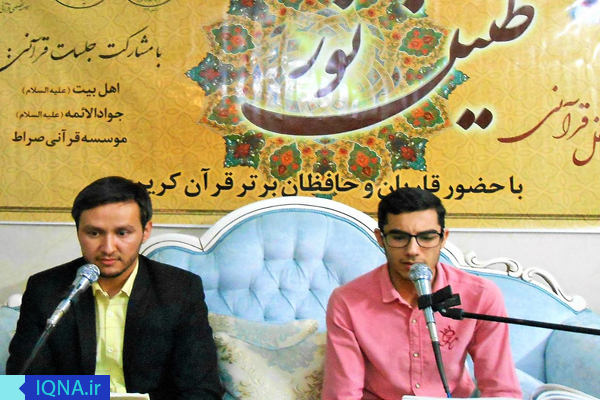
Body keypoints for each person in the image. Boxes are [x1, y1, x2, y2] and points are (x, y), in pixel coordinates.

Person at [7, 176, 224, 400]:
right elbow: (22, 386)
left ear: (145, 231)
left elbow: (202, 389)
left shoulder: (180, 290)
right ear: (78, 231)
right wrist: (98, 393)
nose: (108, 248)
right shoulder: (45, 290)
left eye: (122, 233)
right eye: (94, 233)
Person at [322, 187, 522, 399]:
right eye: (399, 237)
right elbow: (342, 395)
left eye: (426, 238)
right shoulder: (347, 301)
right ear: (380, 238)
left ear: (443, 238)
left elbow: (501, 390)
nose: (412, 250)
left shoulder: (480, 295)